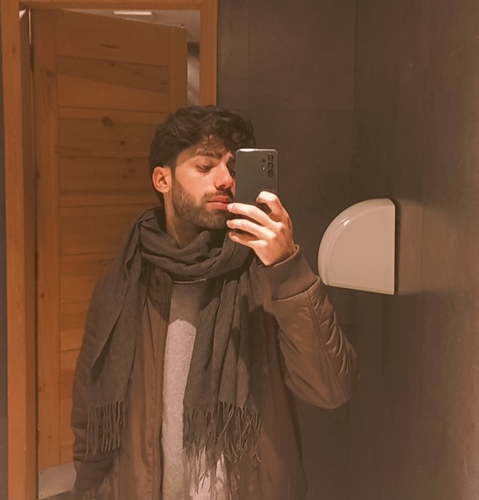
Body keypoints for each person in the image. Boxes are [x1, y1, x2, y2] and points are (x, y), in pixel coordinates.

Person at [71, 105, 358, 500]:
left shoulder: (265, 274)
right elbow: (90, 415)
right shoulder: (123, 285)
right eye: (205, 166)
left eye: (233, 168)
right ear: (162, 179)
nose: (226, 180)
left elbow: (331, 389)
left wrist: (288, 269)